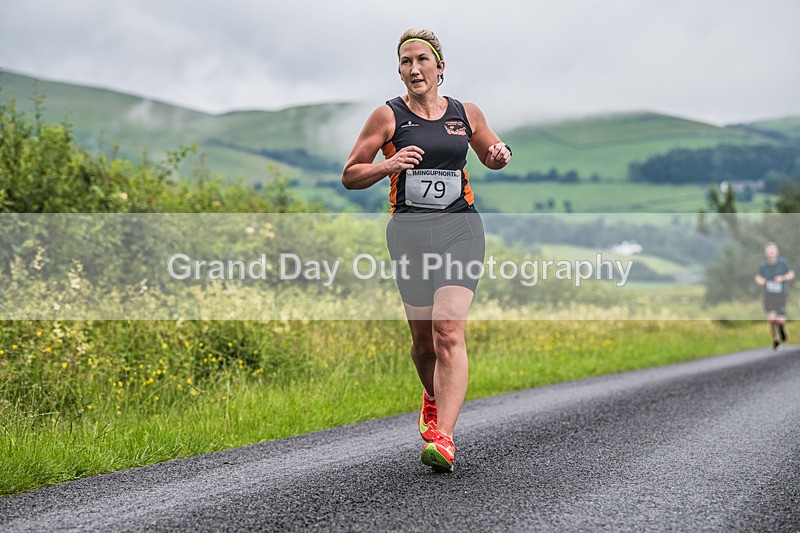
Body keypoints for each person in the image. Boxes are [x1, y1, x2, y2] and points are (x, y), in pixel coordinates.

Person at [342, 28, 511, 472]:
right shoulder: (387, 117)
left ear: (440, 66)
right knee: (422, 346)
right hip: (410, 235)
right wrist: (388, 164)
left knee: (447, 331)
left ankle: (444, 438)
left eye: (422, 59)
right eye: (405, 61)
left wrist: (497, 155)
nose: (414, 69)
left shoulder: (464, 113)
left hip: (460, 230)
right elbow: (351, 174)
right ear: (398, 70)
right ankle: (431, 397)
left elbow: (491, 150)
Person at [755, 242, 795, 350]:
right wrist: (762, 281)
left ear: (777, 252)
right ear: (766, 253)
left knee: (780, 320)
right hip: (769, 296)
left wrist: (782, 278)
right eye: (769, 251)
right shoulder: (763, 265)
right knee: (772, 320)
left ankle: (782, 329)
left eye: (773, 251)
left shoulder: (783, 263)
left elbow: (791, 274)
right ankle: (775, 340)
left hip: (781, 295)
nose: (771, 253)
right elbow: (758, 277)